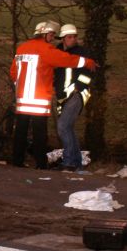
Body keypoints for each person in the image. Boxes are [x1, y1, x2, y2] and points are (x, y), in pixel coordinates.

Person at [10, 21, 97, 169]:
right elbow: (66, 59)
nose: (52, 37)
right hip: (38, 99)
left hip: (22, 99)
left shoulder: (22, 48)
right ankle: (41, 164)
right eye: (50, 34)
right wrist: (87, 62)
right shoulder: (46, 49)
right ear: (43, 34)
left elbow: (13, 73)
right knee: (40, 134)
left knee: (21, 131)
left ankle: (17, 162)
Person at [53, 24, 93, 171]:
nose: (73, 39)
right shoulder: (56, 52)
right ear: (63, 38)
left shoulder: (83, 52)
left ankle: (69, 162)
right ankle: (76, 162)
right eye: (70, 37)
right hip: (62, 95)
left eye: (75, 36)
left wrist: (78, 88)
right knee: (68, 127)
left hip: (77, 94)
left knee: (63, 126)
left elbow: (88, 74)